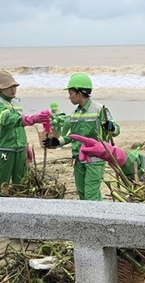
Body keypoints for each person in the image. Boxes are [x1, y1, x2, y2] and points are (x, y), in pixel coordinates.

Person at [42, 73, 120, 201]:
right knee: (83, 195)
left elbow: (116, 130)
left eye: (71, 93)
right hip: (78, 159)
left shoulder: (100, 110)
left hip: (95, 160)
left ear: (79, 93)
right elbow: (72, 137)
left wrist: (111, 127)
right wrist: (56, 141)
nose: (69, 97)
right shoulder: (74, 114)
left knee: (90, 196)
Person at [0, 69, 49, 194]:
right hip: (2, 150)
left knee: (21, 187)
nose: (13, 89)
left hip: (19, 150)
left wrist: (25, 146)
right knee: (2, 188)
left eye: (14, 86)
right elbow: (8, 120)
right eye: (9, 87)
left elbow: (19, 127)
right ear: (0, 89)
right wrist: (31, 119)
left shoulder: (16, 103)